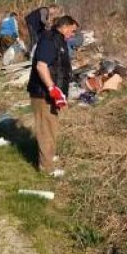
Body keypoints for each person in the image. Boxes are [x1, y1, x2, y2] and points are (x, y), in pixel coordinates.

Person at [27, 14, 79, 176]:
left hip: (52, 93)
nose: (73, 34)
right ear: (64, 26)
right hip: (43, 94)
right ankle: (46, 169)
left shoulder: (59, 40)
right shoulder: (49, 40)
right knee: (46, 130)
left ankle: (48, 157)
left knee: (52, 127)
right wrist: (52, 89)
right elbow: (41, 66)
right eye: (72, 30)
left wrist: (60, 92)